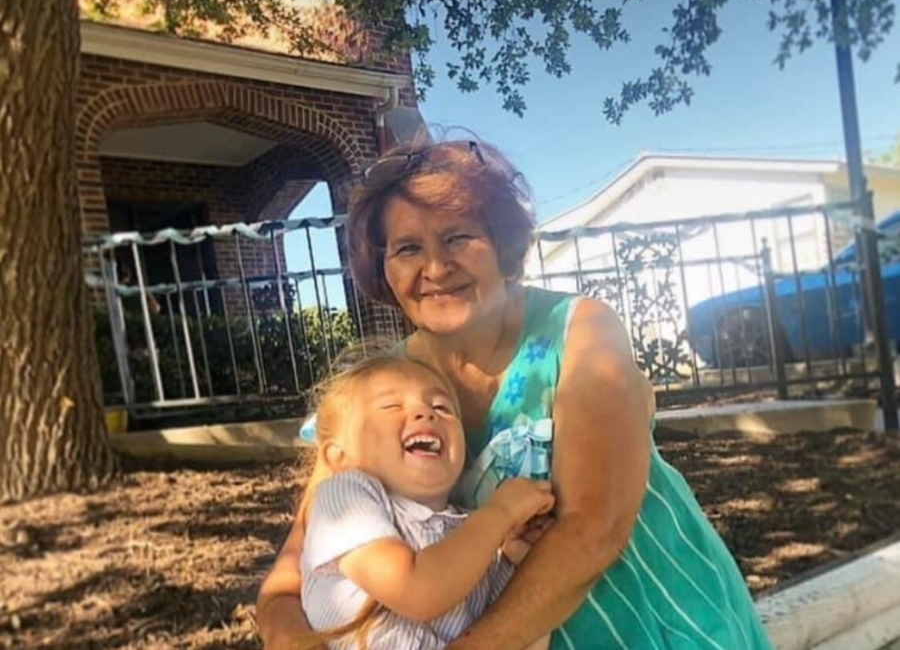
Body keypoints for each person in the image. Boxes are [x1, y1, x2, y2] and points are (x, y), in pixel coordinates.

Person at [258, 138, 775, 650]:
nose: (435, 268)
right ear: (384, 268)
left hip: (661, 624)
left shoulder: (579, 330)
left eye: (459, 237)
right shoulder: (377, 391)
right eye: (408, 248)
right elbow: (292, 574)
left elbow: (594, 529)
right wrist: (295, 639)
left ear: (503, 246)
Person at [296, 353, 554, 650]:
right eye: (391, 405)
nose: (425, 413)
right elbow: (416, 590)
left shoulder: (467, 531)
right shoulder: (343, 497)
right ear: (340, 457)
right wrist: (500, 513)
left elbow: (495, 623)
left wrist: (511, 559)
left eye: (442, 407)